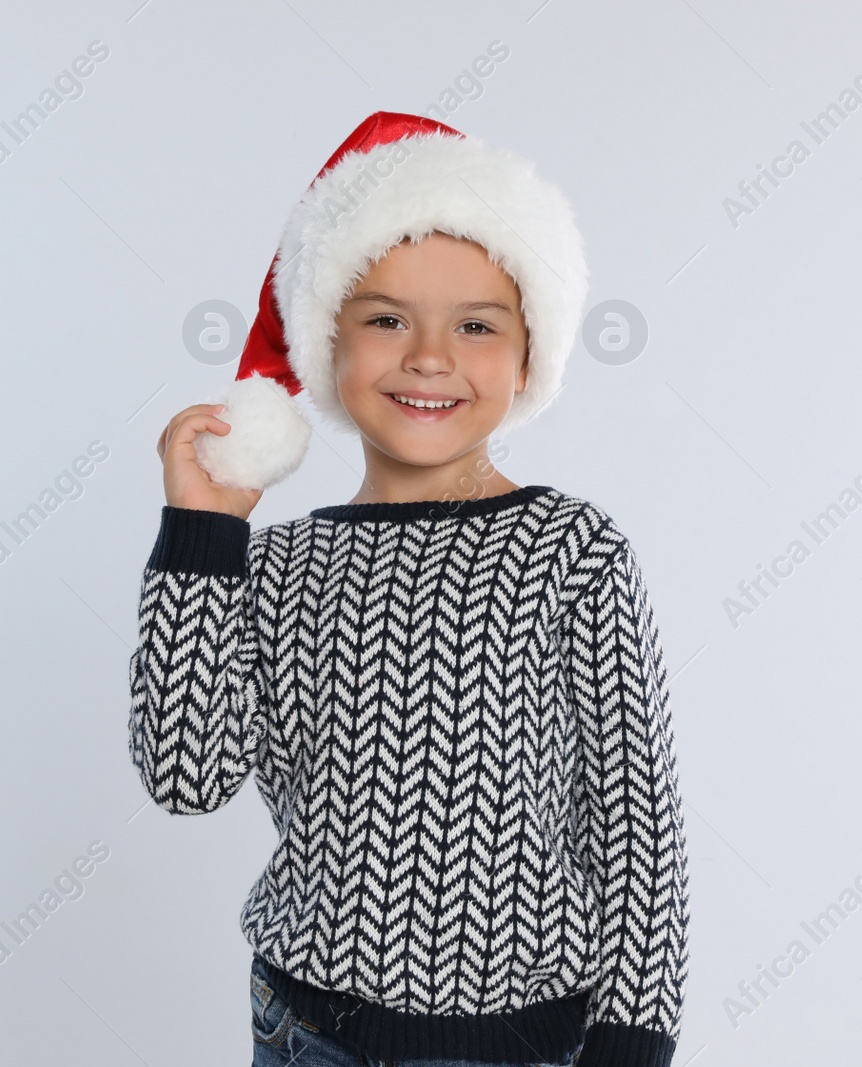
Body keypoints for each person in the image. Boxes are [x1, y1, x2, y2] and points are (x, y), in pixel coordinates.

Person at [131, 112, 689, 1067]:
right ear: (326, 348)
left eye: (476, 325)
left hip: (509, 1046)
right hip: (305, 1030)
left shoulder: (571, 551)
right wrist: (205, 532)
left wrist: (632, 1041)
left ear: (525, 359)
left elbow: (636, 830)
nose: (429, 356)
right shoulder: (270, 565)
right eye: (385, 318)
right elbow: (187, 778)